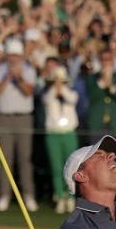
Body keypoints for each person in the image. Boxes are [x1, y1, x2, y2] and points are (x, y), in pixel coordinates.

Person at [0, 38, 38, 212]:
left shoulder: (29, 71)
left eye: (16, 55)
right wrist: (8, 78)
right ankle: (4, 195)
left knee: (25, 158)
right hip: (3, 118)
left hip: (24, 118)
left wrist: (19, 77)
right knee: (5, 159)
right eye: (11, 55)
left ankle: (28, 195)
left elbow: (29, 92)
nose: (13, 58)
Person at [85, 48, 116, 199]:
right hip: (97, 125)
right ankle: (96, 195)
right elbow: (92, 97)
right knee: (95, 162)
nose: (105, 63)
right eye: (103, 60)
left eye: (108, 60)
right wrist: (102, 82)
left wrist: (111, 87)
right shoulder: (92, 78)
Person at [43, 65, 79, 213]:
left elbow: (71, 99)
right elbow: (47, 99)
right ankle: (59, 197)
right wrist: (54, 86)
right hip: (53, 134)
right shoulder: (48, 94)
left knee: (70, 167)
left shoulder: (71, 93)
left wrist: (61, 87)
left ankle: (70, 197)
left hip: (68, 134)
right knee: (56, 167)